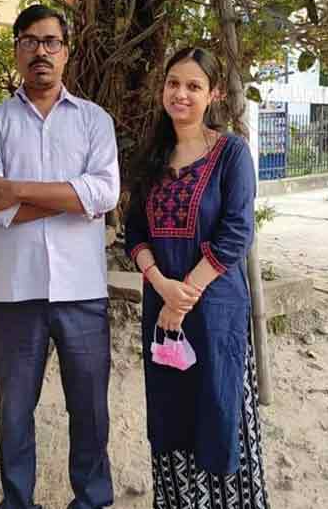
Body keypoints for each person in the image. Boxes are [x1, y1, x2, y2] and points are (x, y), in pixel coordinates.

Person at [0, 4, 120, 509]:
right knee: (14, 411)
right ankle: (17, 501)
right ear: (16, 50)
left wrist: (18, 191)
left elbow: (105, 194)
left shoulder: (95, 121)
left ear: (66, 51)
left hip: (82, 291)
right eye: (30, 41)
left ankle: (92, 500)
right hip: (14, 290)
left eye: (51, 41)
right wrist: (70, 201)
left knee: (90, 408)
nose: (41, 52)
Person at [124, 47, 270, 508]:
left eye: (193, 86)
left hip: (216, 315)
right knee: (170, 414)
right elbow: (134, 233)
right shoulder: (150, 157)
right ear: (162, 89)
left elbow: (236, 232)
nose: (180, 94)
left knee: (218, 410)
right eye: (173, 83)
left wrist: (184, 294)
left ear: (213, 95)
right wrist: (162, 287)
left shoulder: (231, 153)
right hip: (162, 312)